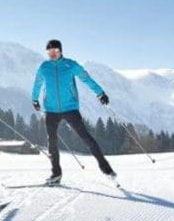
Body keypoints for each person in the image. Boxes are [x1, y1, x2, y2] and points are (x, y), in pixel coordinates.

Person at [31, 39, 116, 185]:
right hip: (51, 110)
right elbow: (37, 83)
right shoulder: (44, 67)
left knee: (86, 138)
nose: (52, 54)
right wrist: (34, 99)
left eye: (55, 51)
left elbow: (86, 79)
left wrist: (100, 93)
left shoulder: (70, 65)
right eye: (49, 52)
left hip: (70, 108)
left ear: (61, 51)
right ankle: (56, 174)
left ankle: (106, 168)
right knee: (52, 143)